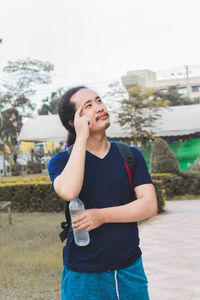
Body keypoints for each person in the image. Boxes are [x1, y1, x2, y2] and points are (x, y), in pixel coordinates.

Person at [48, 86, 157, 300]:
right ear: (73, 122)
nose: (99, 107)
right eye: (88, 105)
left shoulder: (130, 155)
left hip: (129, 269)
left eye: (99, 100)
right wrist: (81, 137)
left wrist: (102, 216)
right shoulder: (60, 162)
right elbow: (70, 191)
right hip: (83, 275)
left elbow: (149, 205)